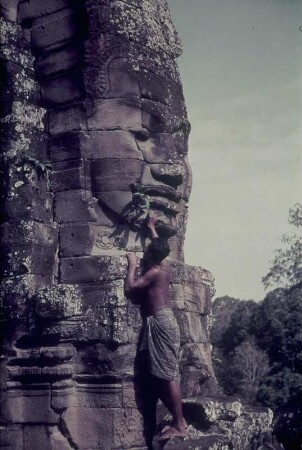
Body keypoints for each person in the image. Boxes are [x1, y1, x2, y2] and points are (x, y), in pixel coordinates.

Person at [124, 216, 187, 441]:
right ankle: (178, 419)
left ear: (153, 255)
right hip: (162, 321)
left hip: (161, 322)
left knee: (168, 375)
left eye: (148, 252)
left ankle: (180, 424)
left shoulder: (153, 272)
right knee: (161, 374)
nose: (145, 253)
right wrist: (152, 228)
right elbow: (159, 245)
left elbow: (131, 287)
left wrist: (132, 264)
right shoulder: (164, 264)